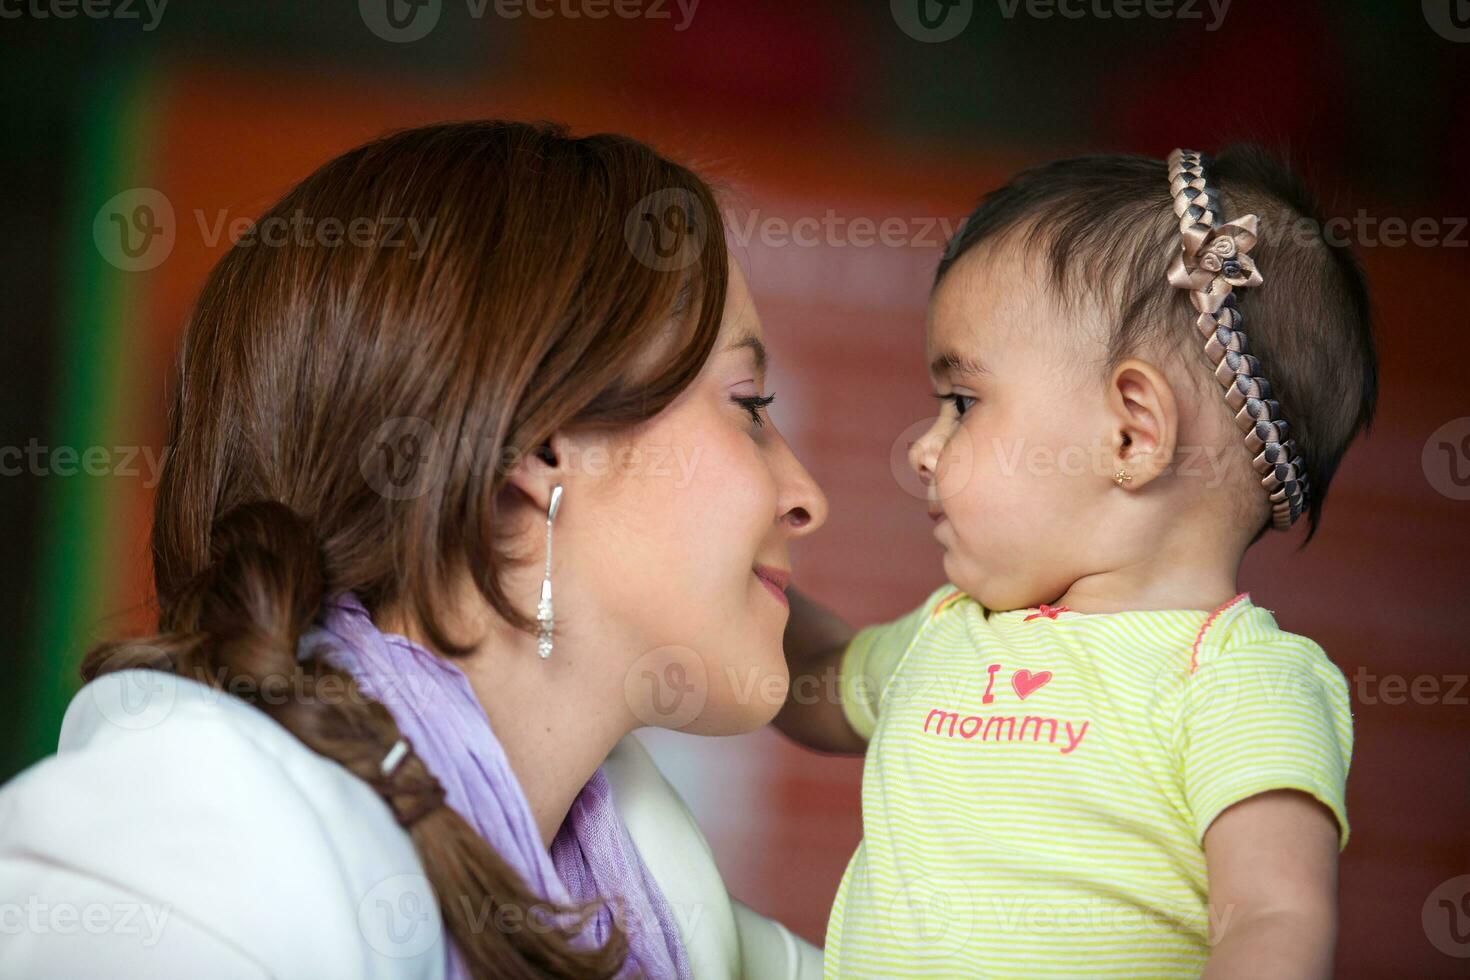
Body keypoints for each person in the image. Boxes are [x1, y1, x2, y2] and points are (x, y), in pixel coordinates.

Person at [0, 121, 828, 979]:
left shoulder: (662, 900)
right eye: (749, 404)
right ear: (539, 453)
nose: (808, 497)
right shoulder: (183, 854)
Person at [777, 146, 1378, 977]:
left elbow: (1273, 918)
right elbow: (813, 676)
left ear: (1131, 433)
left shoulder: (1239, 681)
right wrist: (725, 572)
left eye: (961, 403)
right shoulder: (952, 631)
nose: (922, 449)